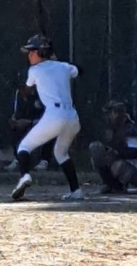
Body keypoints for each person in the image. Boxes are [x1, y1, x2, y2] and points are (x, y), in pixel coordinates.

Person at [11, 34, 83, 202]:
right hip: (72, 118)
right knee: (60, 153)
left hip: (55, 115)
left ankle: (25, 176)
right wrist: (56, 62)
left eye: (33, 51)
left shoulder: (34, 71)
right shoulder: (63, 66)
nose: (30, 55)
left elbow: (28, 88)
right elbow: (79, 70)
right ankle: (76, 190)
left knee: (24, 146)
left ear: (42, 52)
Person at [89, 101, 137, 195]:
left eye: (111, 113)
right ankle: (113, 186)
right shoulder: (113, 129)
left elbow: (134, 153)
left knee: (118, 166)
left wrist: (115, 152)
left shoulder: (129, 128)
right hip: (129, 161)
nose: (108, 116)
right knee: (97, 152)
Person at [9, 83, 51, 171]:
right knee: (15, 128)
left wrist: (31, 122)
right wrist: (16, 121)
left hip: (41, 122)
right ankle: (18, 159)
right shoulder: (19, 93)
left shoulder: (44, 92)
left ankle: (45, 160)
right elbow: (16, 113)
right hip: (25, 122)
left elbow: (49, 114)